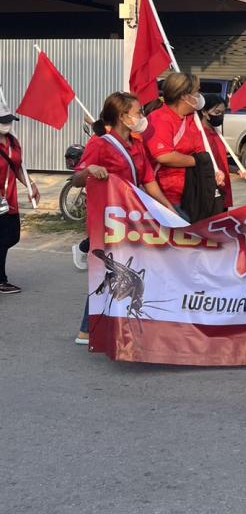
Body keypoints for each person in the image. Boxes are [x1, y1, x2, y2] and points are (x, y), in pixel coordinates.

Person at [70, 93, 175, 344]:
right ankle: (88, 327)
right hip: (111, 220)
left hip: (136, 218)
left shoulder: (137, 144)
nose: (142, 117)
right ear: (122, 117)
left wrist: (171, 212)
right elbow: (76, 179)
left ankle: (100, 325)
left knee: (128, 272)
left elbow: (149, 181)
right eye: (138, 113)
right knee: (117, 272)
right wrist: (89, 171)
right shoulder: (100, 144)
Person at [144, 72, 226, 214]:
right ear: (184, 96)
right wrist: (199, 161)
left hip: (194, 193)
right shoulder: (160, 119)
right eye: (196, 91)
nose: (200, 95)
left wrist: (214, 171)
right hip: (169, 196)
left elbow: (201, 148)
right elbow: (164, 156)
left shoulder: (191, 118)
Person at [0, 107, 38, 295]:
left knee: (11, 236)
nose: (7, 124)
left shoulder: (13, 143)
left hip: (9, 200)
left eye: (9, 120)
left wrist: (31, 186)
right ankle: (1, 280)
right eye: (3, 120)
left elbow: (18, 168)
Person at [199, 94, 246, 209]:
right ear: (204, 112)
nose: (220, 117)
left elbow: (221, 162)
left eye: (223, 113)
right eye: (217, 113)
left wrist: (239, 170)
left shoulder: (216, 133)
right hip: (208, 191)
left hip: (222, 189)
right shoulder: (198, 135)